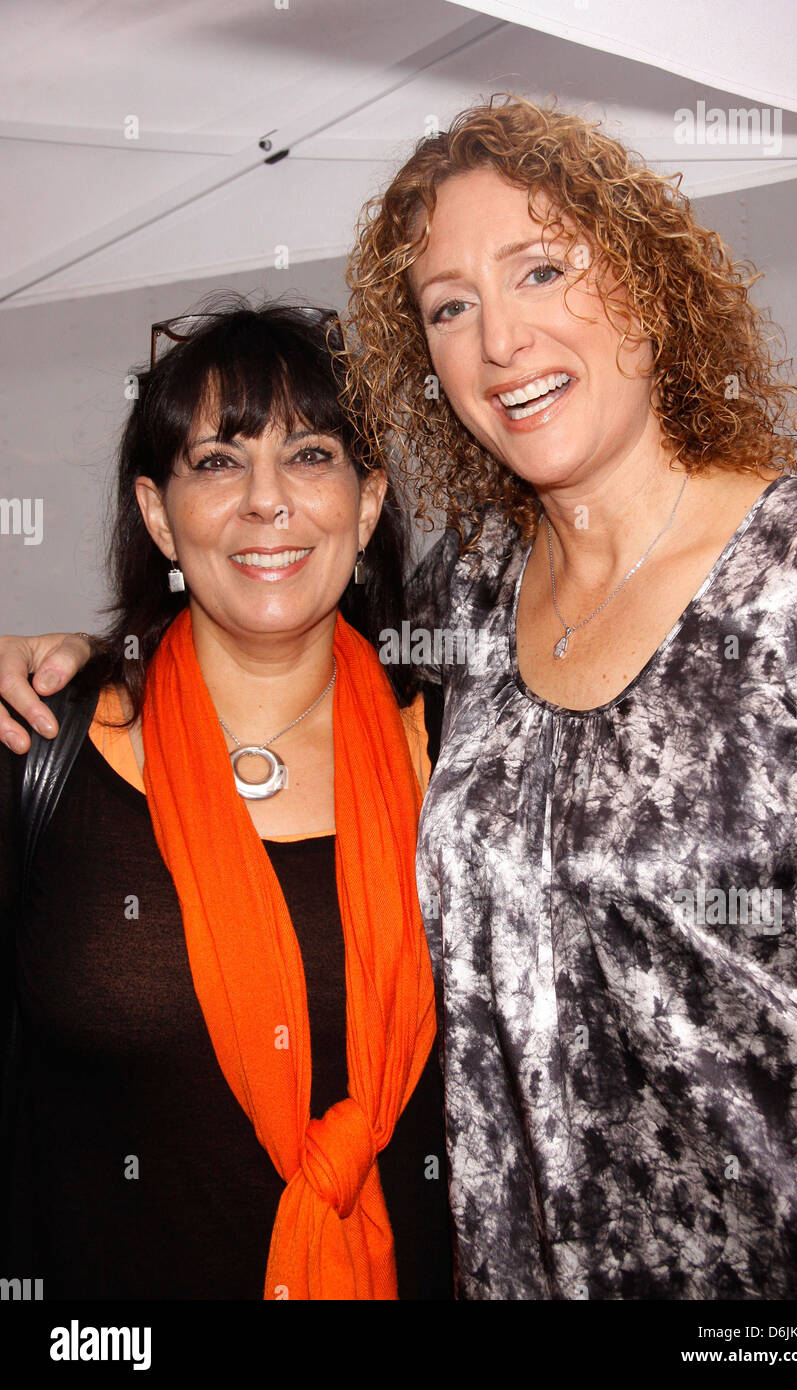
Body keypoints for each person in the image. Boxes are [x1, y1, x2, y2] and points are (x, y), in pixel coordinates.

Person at [4, 96, 797, 1301]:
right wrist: (51, 659)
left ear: (650, 286)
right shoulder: (471, 605)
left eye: (541, 269)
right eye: (450, 306)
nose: (500, 339)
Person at [0, 300, 453, 1301]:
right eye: (217, 461)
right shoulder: (37, 748)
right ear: (159, 513)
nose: (266, 502)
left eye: (309, 455)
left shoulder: (462, 754)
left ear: (367, 503)